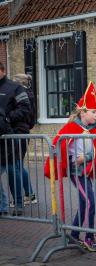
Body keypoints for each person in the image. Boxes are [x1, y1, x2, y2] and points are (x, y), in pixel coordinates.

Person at [44, 82, 96, 252]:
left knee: (86, 202)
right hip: (77, 173)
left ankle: (75, 235)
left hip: (86, 171)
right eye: (93, 112)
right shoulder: (70, 128)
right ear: (83, 112)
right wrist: (71, 161)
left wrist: (87, 157)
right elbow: (58, 147)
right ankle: (89, 238)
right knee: (90, 201)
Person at [0, 62, 31, 215]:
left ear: (3, 71)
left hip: (11, 136)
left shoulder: (15, 87)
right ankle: (2, 206)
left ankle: (19, 204)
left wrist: (6, 119)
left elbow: (26, 108)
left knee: (13, 170)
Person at [12, 73, 37, 205]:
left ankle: (28, 194)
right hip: (24, 131)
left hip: (20, 132)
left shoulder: (23, 96)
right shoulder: (30, 94)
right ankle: (29, 194)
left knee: (17, 165)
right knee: (18, 164)